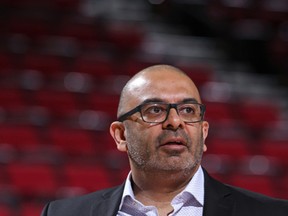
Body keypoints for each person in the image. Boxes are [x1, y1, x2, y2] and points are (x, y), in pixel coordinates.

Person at [41, 65, 288, 216]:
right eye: (155, 110)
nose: (175, 121)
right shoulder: (64, 214)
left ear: (203, 133)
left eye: (188, 110)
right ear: (121, 135)